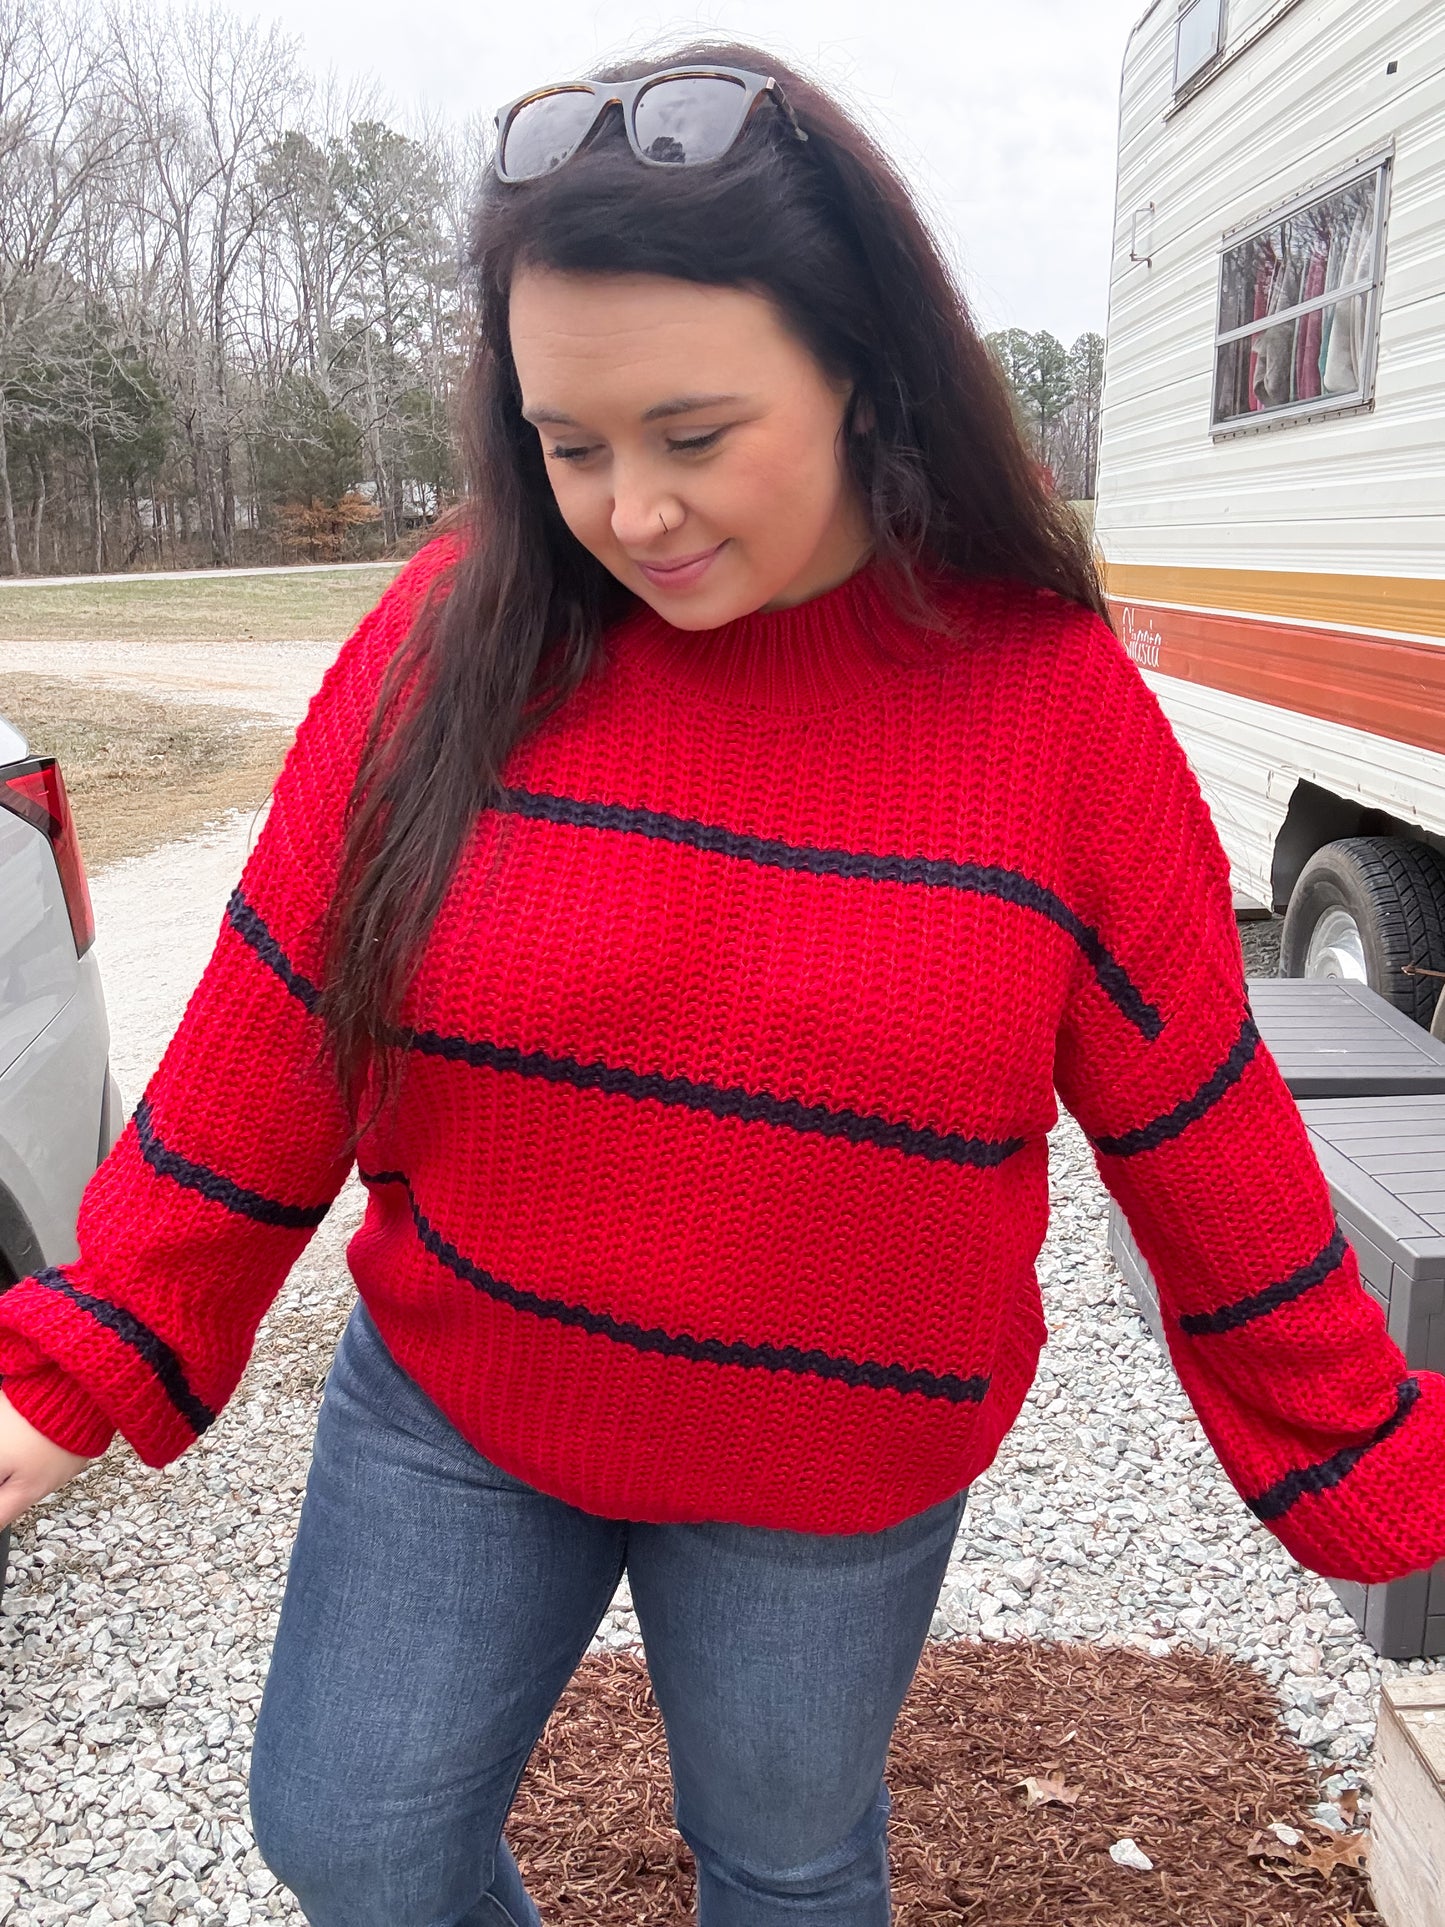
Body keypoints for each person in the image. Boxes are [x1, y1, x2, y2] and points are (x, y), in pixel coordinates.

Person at [0, 37, 1441, 1927]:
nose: (630, 513)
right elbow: (271, 1034)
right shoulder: (453, 641)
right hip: (461, 1398)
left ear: (858, 369)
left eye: (693, 438)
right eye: (565, 445)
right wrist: (71, 1367)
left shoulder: (1047, 716)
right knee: (344, 1834)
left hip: (830, 1462)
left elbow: (1209, 1148)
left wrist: (1381, 1472)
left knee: (780, 1864)